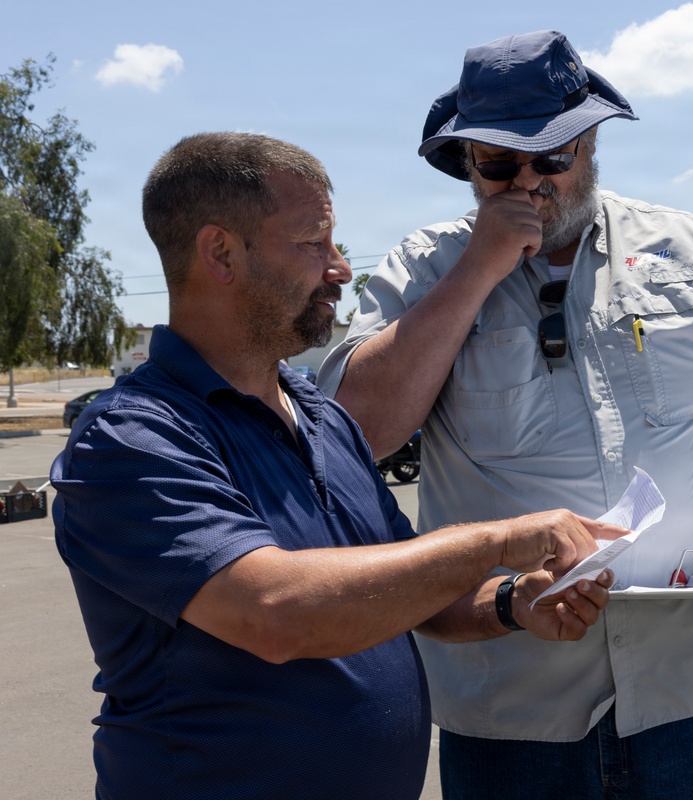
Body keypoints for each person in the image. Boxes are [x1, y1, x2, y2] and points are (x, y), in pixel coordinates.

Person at [50, 131, 627, 800]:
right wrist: (497, 541)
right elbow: (277, 613)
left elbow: (411, 591)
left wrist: (512, 599)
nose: (341, 270)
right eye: (313, 243)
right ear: (220, 253)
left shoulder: (319, 416)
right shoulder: (132, 437)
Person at [319, 30, 693, 799]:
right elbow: (355, 434)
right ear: (467, 163)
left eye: (550, 158)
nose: (528, 183)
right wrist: (479, 268)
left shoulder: (691, 249)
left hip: (690, 687)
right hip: (512, 708)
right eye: (498, 164)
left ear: (591, 143)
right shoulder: (425, 267)